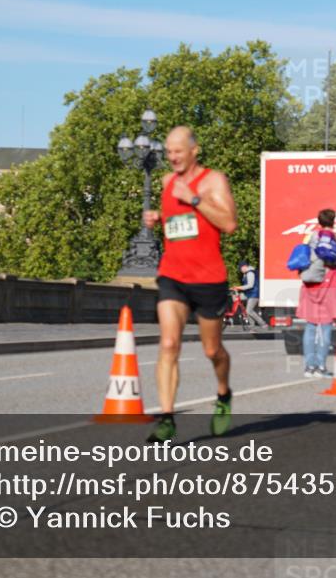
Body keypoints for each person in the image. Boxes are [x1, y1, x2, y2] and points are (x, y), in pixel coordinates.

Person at [142, 126, 238, 442]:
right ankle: (167, 418)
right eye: (168, 152)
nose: (172, 157)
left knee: (213, 350)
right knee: (169, 344)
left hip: (208, 278)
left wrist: (195, 198)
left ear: (194, 150)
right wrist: (158, 219)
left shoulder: (213, 180)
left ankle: (223, 394)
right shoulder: (167, 182)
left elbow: (229, 224)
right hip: (173, 274)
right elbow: (179, 227)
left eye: (178, 151)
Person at [297, 208, 336, 377]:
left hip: (311, 284)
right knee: (326, 327)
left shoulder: (309, 236)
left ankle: (308, 367)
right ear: (334, 220)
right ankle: (321, 367)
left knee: (310, 327)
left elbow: (302, 258)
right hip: (331, 283)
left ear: (319, 221)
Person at [233, 261, 265, 328]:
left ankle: (263, 324)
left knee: (249, 310)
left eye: (240, 268)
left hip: (254, 294)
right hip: (250, 294)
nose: (240, 270)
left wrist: (238, 287)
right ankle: (252, 326)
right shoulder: (247, 273)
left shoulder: (250, 273)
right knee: (247, 310)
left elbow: (250, 285)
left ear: (244, 267)